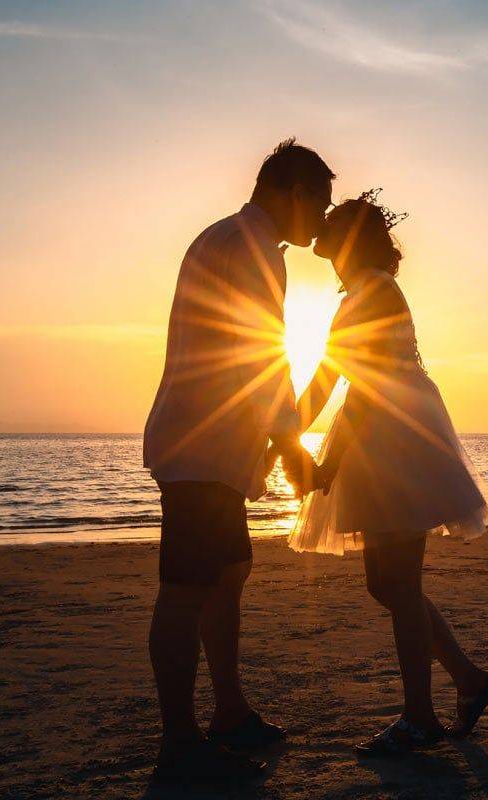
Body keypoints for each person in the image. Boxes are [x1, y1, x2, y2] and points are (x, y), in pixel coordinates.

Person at [142, 139, 333, 779]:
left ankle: (229, 711)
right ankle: (180, 740)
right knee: (187, 589)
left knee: (228, 576)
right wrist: (293, 451)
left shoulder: (236, 241)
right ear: (292, 191)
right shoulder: (245, 246)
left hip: (214, 447)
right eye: (321, 202)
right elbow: (260, 357)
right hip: (200, 445)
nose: (321, 220)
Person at [289, 190, 488, 756]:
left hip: (395, 440)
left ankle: (420, 716)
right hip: (387, 435)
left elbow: (356, 384)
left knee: (398, 584)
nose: (327, 257)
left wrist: (320, 456)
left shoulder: (374, 294)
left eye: (331, 246)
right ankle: (469, 681)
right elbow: (331, 379)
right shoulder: (364, 294)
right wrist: (284, 435)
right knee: (388, 584)